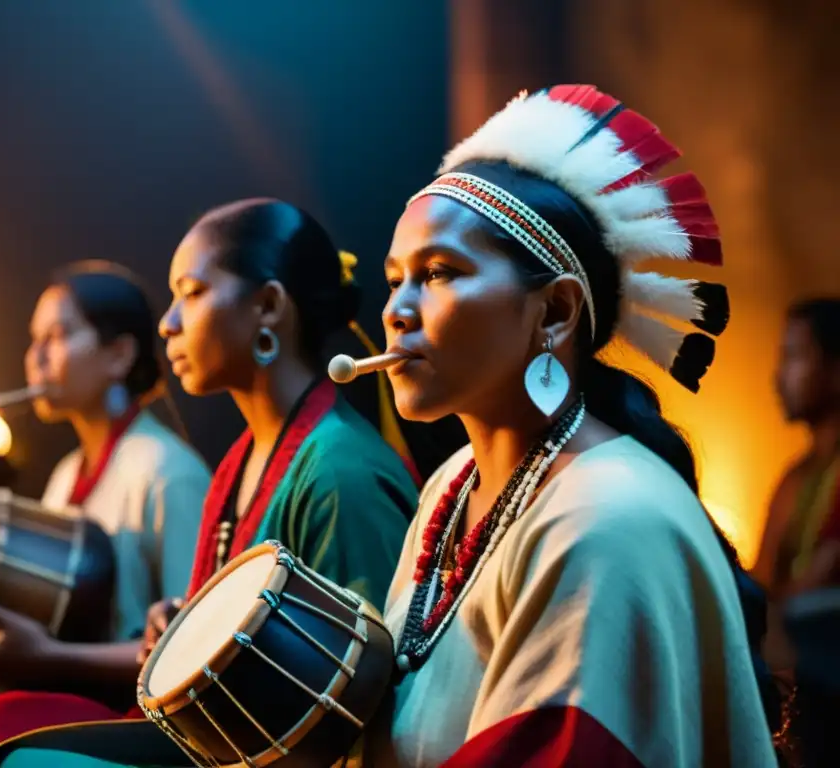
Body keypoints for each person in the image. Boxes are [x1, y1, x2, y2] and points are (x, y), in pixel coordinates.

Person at [357, 85, 778, 766]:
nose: (397, 311)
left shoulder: (607, 517)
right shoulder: (451, 488)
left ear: (555, 311)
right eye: (395, 278)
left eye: (438, 273)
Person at [0, 198, 420, 768]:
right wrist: (176, 632)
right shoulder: (241, 460)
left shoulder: (341, 472)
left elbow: (362, 698)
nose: (167, 323)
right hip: (220, 741)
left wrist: (51, 656)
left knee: (7, 748)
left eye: (190, 293)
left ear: (267, 306)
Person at [0, 261, 211, 768]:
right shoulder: (66, 473)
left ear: (120, 354)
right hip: (75, 689)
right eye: (33, 338)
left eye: (58, 336)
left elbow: (195, 647)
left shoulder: (169, 472)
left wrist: (47, 660)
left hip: (136, 716)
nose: (35, 356)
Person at [756, 298, 840, 598]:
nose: (779, 377)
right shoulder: (795, 477)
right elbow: (763, 577)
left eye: (795, 357)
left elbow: (809, 593)